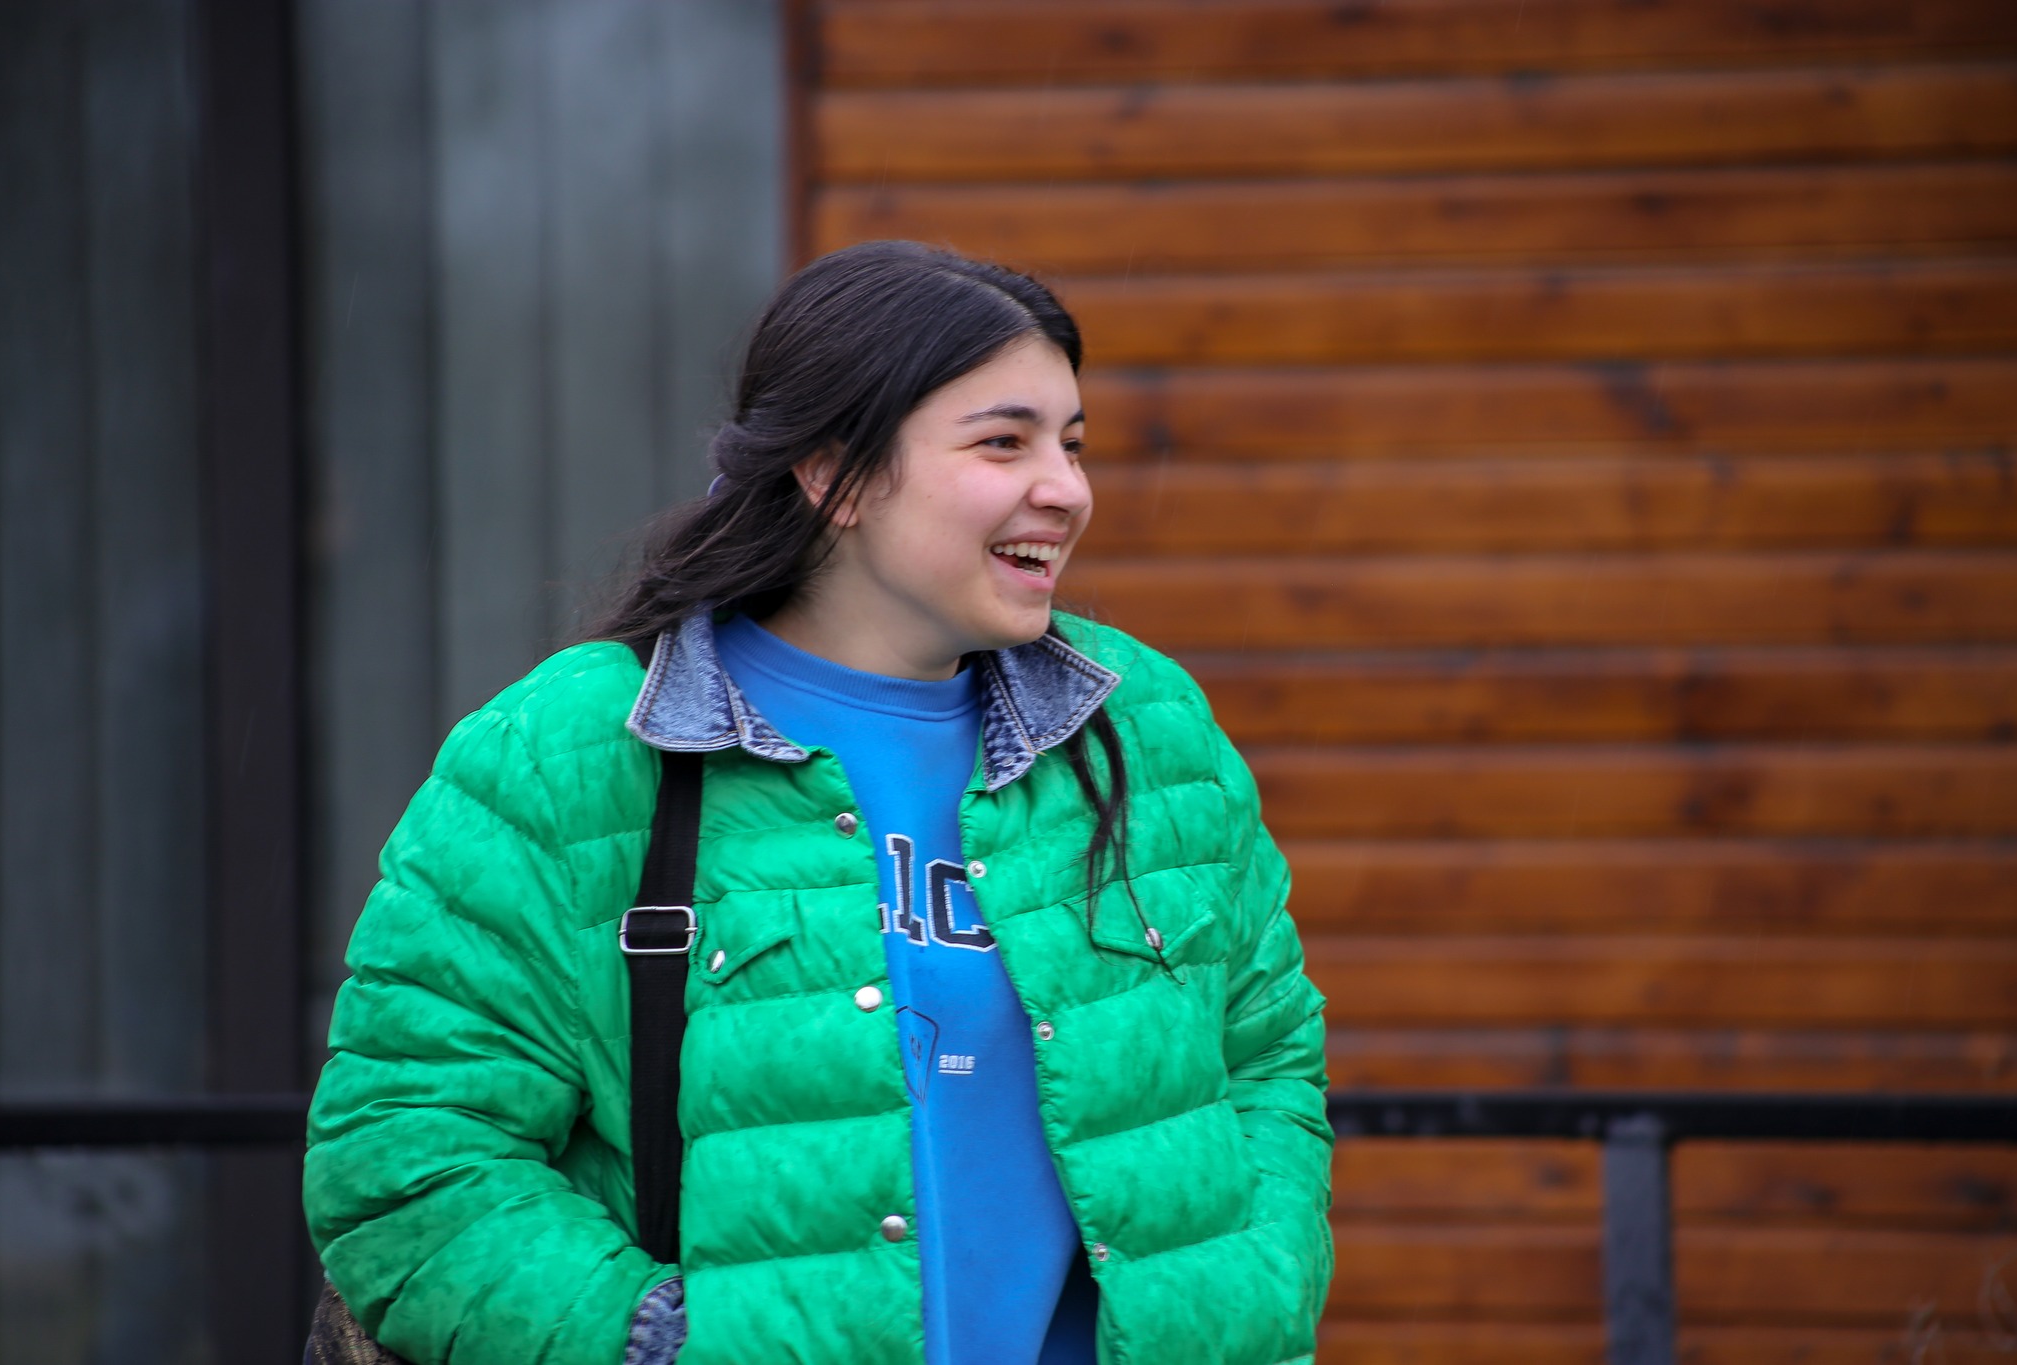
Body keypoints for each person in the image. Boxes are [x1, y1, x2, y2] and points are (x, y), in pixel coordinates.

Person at [302, 240, 1333, 1365]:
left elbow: (1265, 1059)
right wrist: (665, 1346)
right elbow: (410, 1153)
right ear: (833, 474)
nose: (1066, 489)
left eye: (1072, 444)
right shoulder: (570, 751)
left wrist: (1251, 1286)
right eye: (1004, 442)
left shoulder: (1144, 729)